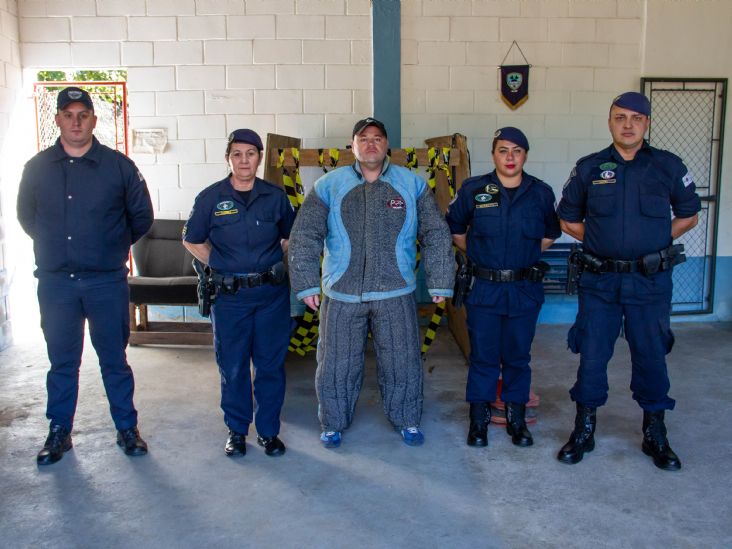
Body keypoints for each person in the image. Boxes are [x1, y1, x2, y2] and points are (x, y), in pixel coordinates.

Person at [556, 92, 701, 471]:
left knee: (651, 357)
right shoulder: (589, 168)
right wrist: (602, 241)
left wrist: (654, 241)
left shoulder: (668, 166)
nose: (628, 124)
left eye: (636, 118)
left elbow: (689, 214)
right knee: (592, 356)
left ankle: (655, 432)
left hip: (649, 283)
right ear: (610, 122)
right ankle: (584, 428)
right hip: (600, 282)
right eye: (620, 117)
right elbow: (568, 218)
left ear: (647, 124)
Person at [288, 118, 454, 448]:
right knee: (336, 363)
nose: (371, 144)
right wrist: (307, 285)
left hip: (396, 290)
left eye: (378, 138)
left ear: (386, 146)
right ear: (353, 146)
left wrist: (440, 281)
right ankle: (333, 423)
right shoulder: (329, 186)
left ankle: (407, 419)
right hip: (342, 292)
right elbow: (305, 235)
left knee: (402, 360)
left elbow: (435, 233)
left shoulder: (412, 184)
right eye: (363, 139)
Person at [17, 86, 154, 465]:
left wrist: (109, 245)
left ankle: (127, 429)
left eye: (83, 115)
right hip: (57, 283)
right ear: (58, 119)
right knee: (62, 361)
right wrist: (56, 245)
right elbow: (27, 217)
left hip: (105, 281)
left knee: (114, 359)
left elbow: (141, 217)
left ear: (94, 120)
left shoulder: (118, 167)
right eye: (68, 114)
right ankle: (59, 432)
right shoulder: (37, 168)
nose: (76, 122)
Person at [183, 129, 295, 458]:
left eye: (250, 153)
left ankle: (269, 432)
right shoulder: (210, 198)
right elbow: (192, 239)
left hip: (270, 296)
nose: (244, 160)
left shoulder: (275, 197)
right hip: (230, 298)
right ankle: (236, 430)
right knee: (232, 366)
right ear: (228, 158)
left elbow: (289, 237)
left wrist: (267, 264)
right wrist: (222, 265)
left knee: (270, 365)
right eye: (237, 154)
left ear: (259, 158)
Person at [446, 127, 561, 448]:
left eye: (517, 151)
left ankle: (516, 418)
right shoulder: (473, 189)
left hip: (524, 289)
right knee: (483, 357)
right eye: (503, 150)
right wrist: (484, 256)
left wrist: (523, 257)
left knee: (518, 356)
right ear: (493, 154)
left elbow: (550, 233)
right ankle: (479, 420)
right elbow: (456, 229)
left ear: (525, 155)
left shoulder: (540, 193)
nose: (510, 157)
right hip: (484, 288)